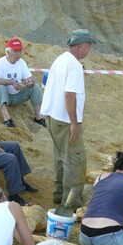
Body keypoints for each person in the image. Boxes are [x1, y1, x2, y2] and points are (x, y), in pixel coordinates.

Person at [40, 29, 97, 209]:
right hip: (64, 120)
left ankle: (59, 194)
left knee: (61, 157)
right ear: (81, 46)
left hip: (53, 117)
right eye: (88, 46)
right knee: (75, 161)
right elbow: (69, 95)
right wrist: (73, 122)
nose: (89, 50)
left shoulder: (61, 59)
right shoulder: (73, 65)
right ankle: (71, 203)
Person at [0, 38, 46, 128]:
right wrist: (11, 82)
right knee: (1, 86)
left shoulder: (21, 63)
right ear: (8, 52)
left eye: (20, 50)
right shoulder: (0, 63)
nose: (18, 54)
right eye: (15, 51)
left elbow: (31, 78)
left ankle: (39, 117)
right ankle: (7, 119)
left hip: (16, 96)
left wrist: (29, 82)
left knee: (34, 87)